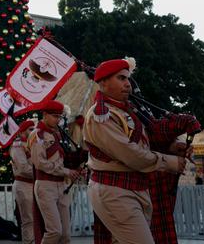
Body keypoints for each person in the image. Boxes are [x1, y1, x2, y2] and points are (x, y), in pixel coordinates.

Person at [83, 59, 186, 244]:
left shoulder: (126, 111)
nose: (127, 84)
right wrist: (169, 162)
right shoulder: (101, 114)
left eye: (128, 79)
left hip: (133, 188)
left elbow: (141, 144)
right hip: (115, 191)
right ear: (103, 82)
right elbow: (131, 154)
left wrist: (170, 147)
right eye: (121, 78)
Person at [29, 100, 78, 244]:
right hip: (46, 185)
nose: (57, 120)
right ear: (44, 115)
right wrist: (65, 171)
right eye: (54, 116)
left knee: (66, 236)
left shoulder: (56, 134)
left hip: (61, 186)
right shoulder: (37, 135)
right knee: (54, 231)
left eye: (59, 117)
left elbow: (61, 159)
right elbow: (40, 163)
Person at [10, 119, 35, 244]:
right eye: (30, 129)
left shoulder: (33, 144)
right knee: (28, 219)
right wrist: (43, 172)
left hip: (35, 184)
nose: (33, 132)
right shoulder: (18, 146)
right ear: (22, 132)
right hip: (24, 184)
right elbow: (24, 168)